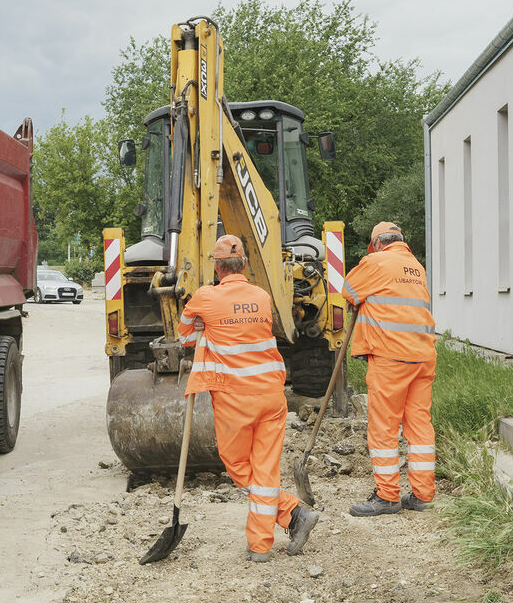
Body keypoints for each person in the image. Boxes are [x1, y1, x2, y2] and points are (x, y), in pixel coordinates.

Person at [176, 234, 320, 561]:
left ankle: (291, 514)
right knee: (266, 470)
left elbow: (184, 333)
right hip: (272, 395)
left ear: (216, 265)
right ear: (243, 263)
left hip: (235, 400)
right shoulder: (261, 296)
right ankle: (263, 543)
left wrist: (204, 323)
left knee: (240, 468)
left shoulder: (205, 297)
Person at [342, 221, 438, 516]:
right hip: (423, 356)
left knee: (383, 427)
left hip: (391, 357)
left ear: (378, 244)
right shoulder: (416, 267)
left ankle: (387, 496)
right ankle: (422, 495)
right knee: (419, 426)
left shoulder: (376, 261)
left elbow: (348, 290)